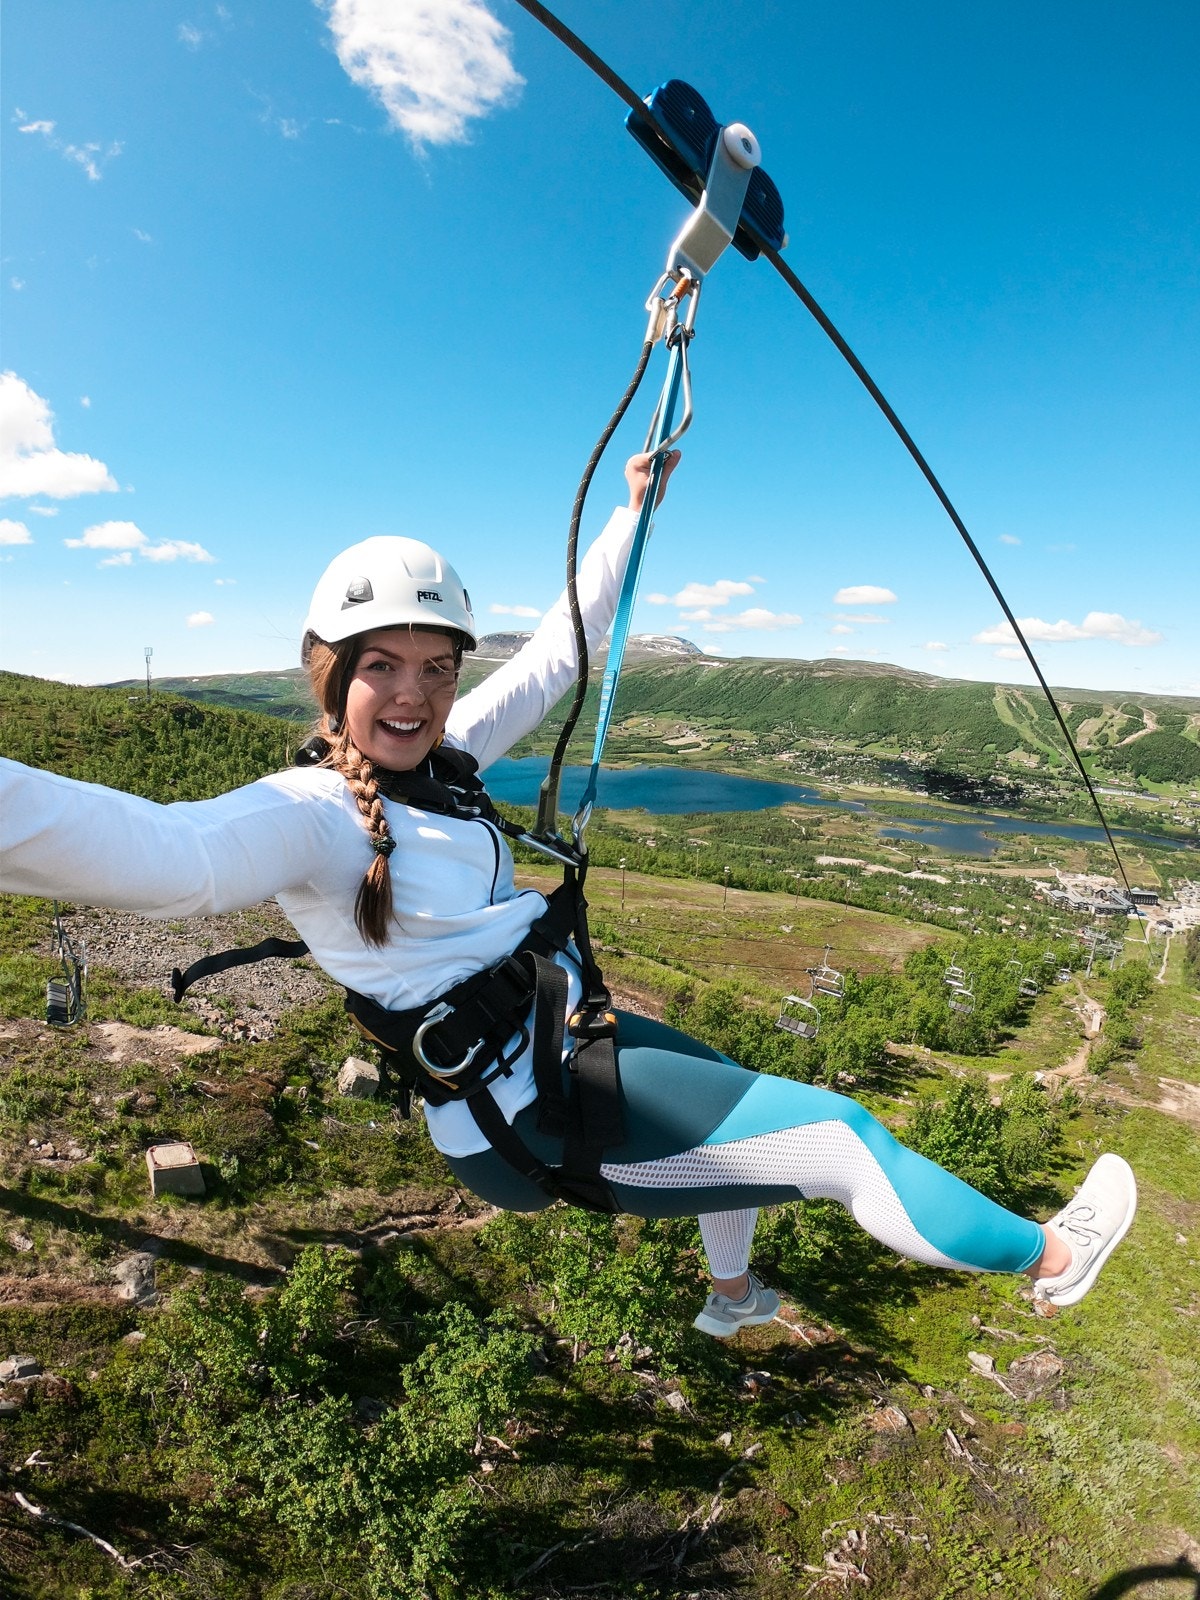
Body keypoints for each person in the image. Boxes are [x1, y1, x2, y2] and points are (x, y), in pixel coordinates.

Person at [0, 453, 1137, 1338]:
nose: (413, 694)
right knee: (837, 1140)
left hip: (557, 1044)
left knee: (750, 1096)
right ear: (330, 672)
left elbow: (556, 657)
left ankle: (731, 1292)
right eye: (379, 666)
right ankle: (1052, 1257)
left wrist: (634, 511)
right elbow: (158, 853)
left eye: (435, 666)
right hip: (523, 1120)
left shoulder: (437, 764)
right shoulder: (307, 815)